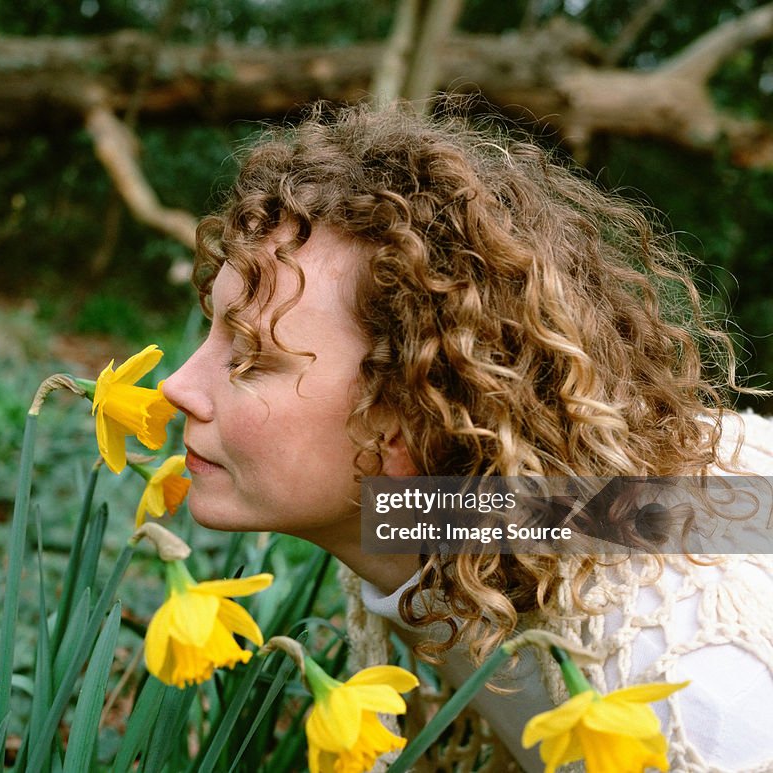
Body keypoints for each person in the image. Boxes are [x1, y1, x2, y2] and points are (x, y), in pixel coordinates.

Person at [161, 102, 773, 772]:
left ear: (410, 416)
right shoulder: (488, 528)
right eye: (211, 330)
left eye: (250, 357)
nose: (177, 387)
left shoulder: (685, 691)